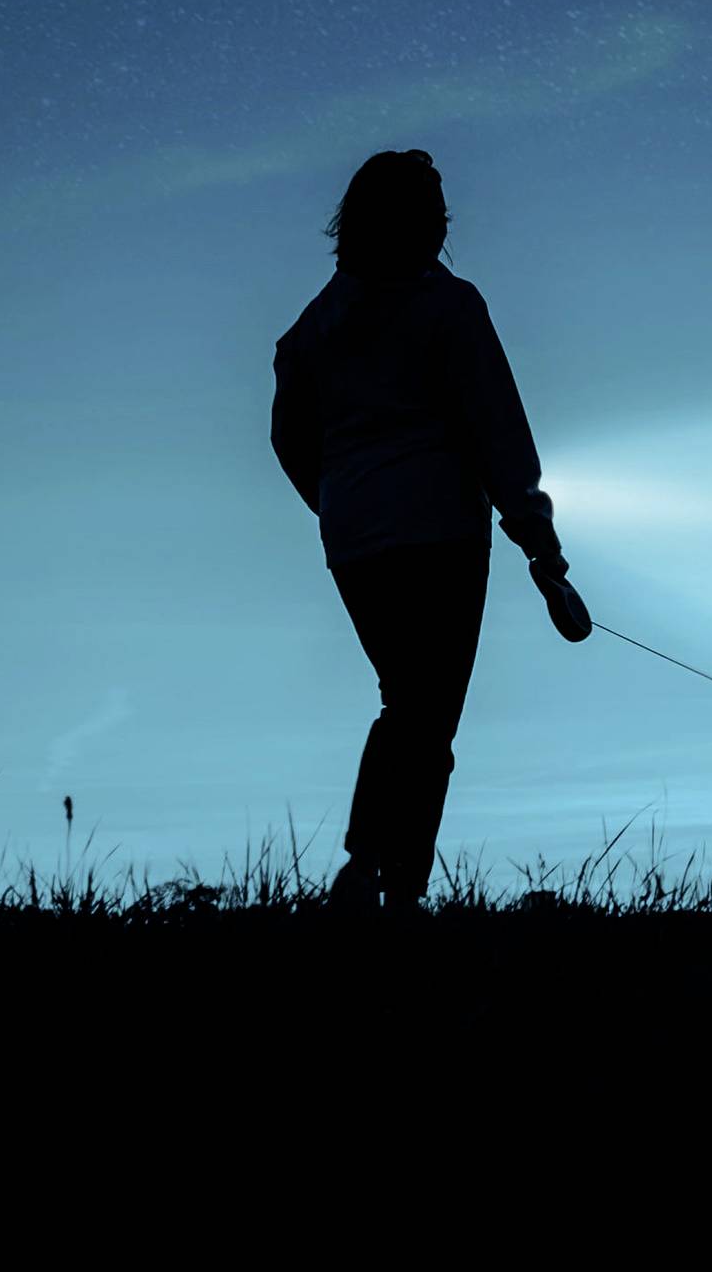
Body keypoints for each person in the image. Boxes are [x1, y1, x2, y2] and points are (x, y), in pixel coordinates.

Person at [271, 150, 589, 913]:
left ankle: (374, 872)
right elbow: (497, 429)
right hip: (440, 532)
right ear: (418, 221)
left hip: (354, 539)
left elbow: (288, 433)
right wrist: (536, 536)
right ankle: (387, 883)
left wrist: (334, 500)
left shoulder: (315, 325)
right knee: (426, 710)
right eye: (435, 205)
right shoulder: (449, 308)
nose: (446, 218)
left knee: (407, 701)